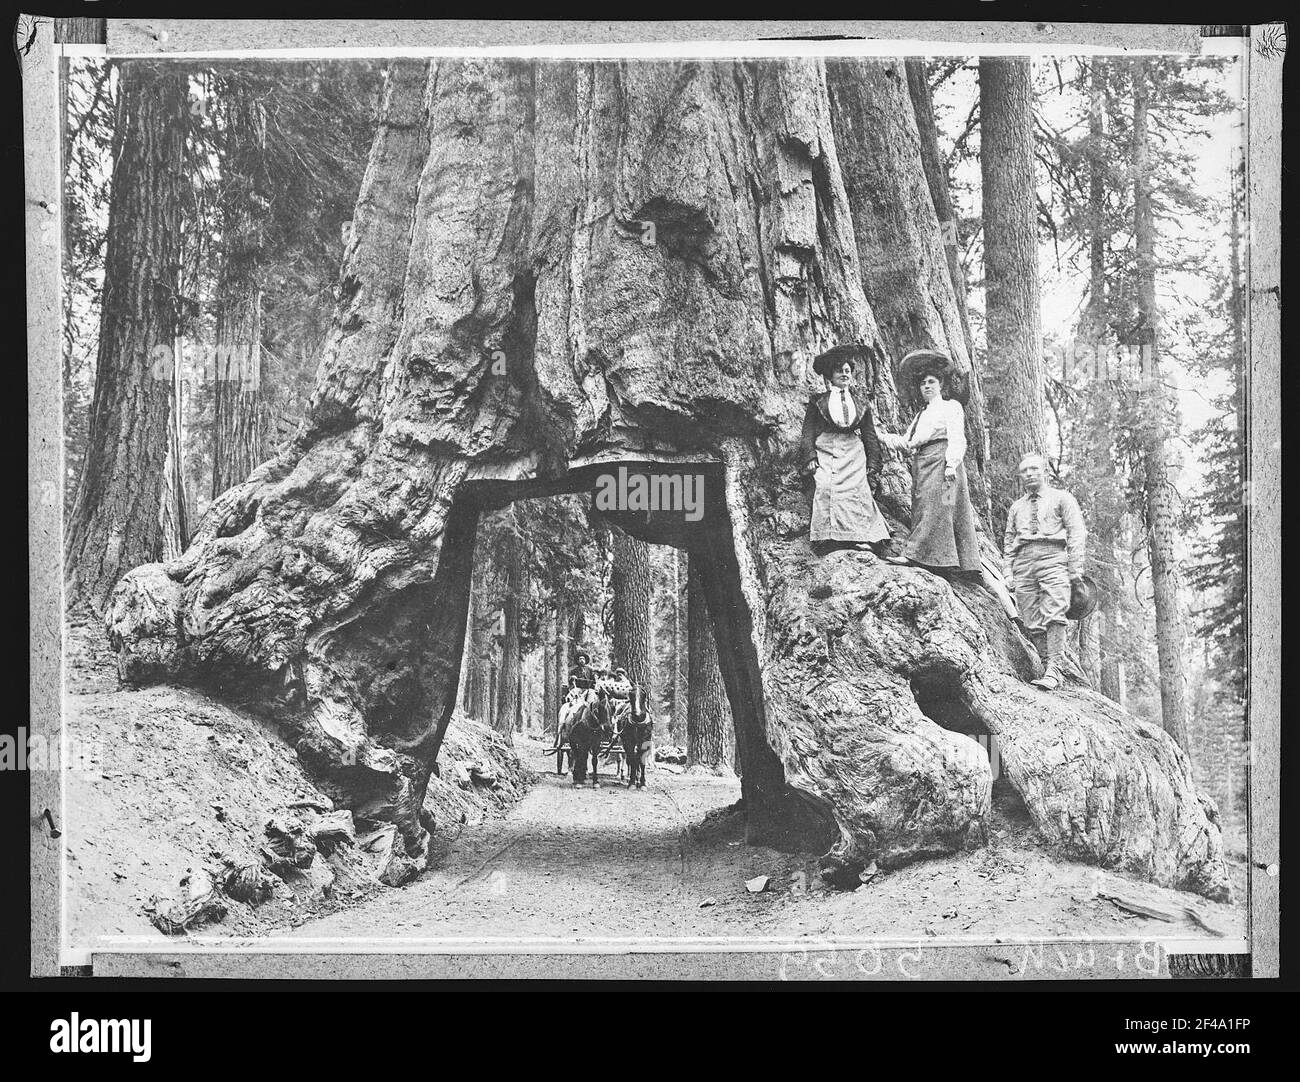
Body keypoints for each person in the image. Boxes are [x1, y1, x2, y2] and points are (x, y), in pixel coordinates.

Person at [879, 348, 981, 575]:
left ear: (941, 384)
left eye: (932, 381)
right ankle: (936, 558)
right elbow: (907, 442)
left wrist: (951, 465)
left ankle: (934, 559)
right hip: (922, 463)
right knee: (924, 507)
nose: (927, 386)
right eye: (923, 383)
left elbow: (957, 438)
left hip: (944, 463)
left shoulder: (950, 407)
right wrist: (881, 436)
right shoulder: (921, 415)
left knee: (944, 507)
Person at [1003, 453, 1088, 692]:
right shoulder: (1017, 507)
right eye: (1024, 471)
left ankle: (1055, 670)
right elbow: (1009, 540)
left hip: (1053, 558)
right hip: (1023, 563)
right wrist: (1007, 570)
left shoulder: (1062, 499)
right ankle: (1045, 664)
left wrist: (1075, 571)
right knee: (1030, 618)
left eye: (1034, 469)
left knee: (1054, 612)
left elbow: (1076, 533)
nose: (1029, 474)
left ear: (1045, 473)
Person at [798, 346, 893, 556]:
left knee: (858, 492)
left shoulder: (860, 403)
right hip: (827, 449)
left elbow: (869, 434)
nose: (844, 374)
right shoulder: (818, 402)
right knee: (825, 488)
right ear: (830, 376)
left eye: (848, 370)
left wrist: (873, 462)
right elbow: (808, 431)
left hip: (853, 453)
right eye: (839, 370)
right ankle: (828, 537)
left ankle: (864, 537)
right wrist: (809, 456)